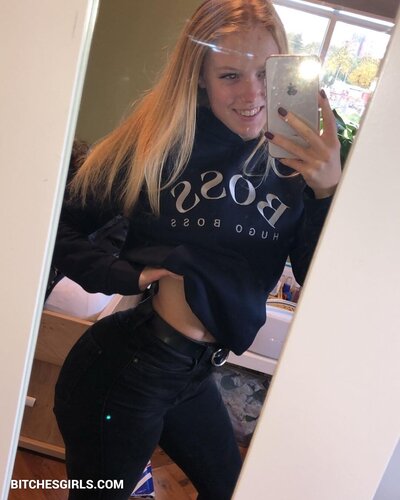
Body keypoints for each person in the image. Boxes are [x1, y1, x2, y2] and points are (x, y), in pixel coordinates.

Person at [52, 0, 341, 498]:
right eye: (230, 75)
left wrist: (327, 191)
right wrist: (126, 276)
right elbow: (60, 229)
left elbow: (315, 281)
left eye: (265, 73)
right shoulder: (161, 143)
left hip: (194, 374)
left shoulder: (294, 165)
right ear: (200, 78)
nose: (252, 94)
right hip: (124, 371)